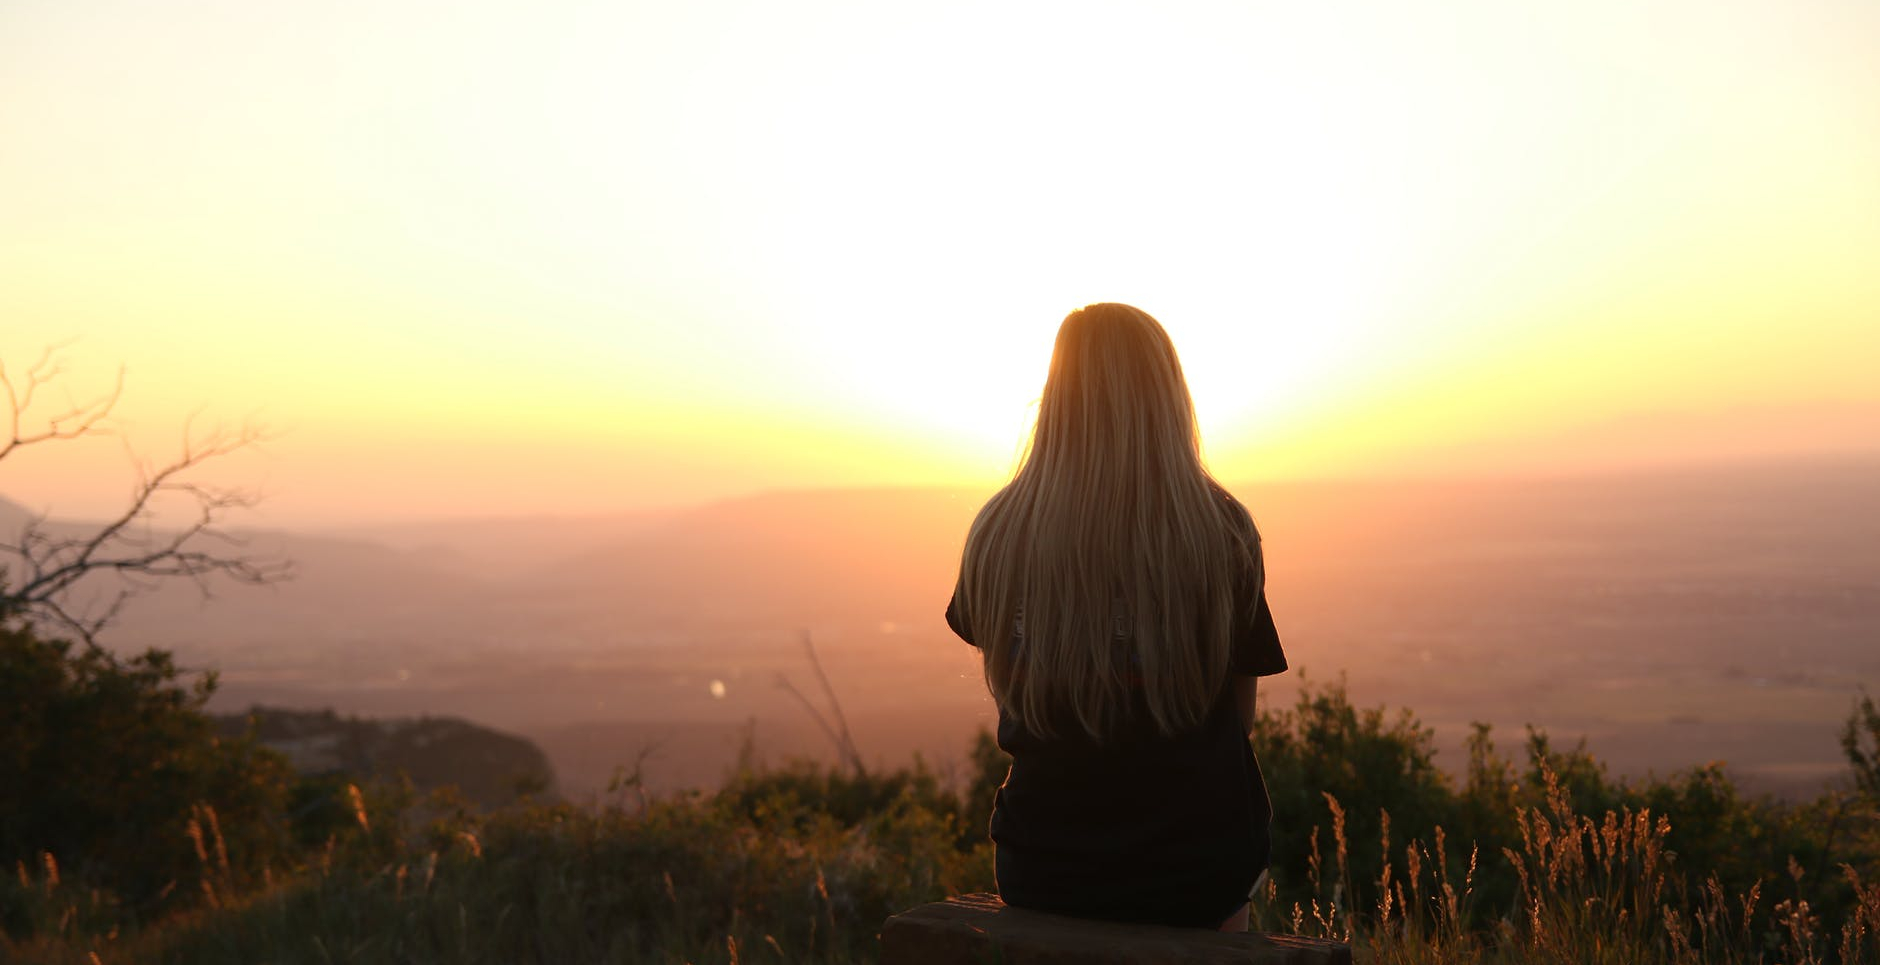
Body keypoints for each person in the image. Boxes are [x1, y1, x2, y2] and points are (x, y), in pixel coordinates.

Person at [945, 302, 1287, 932]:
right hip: (1195, 871)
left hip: (1044, 865)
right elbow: (1239, 721)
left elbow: (1011, 688)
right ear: (1168, 399)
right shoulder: (1223, 533)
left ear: (1056, 397)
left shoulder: (997, 532)